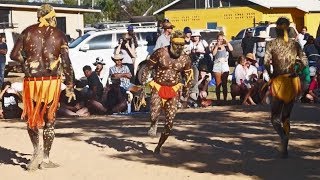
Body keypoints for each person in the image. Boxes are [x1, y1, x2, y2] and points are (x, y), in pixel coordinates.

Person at [10, 4, 75, 170]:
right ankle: (45, 158)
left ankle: (35, 150)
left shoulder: (28, 32)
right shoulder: (59, 34)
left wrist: (26, 63)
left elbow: (13, 55)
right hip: (51, 81)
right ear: (51, 16)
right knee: (49, 119)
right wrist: (70, 84)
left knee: (32, 118)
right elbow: (66, 62)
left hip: (32, 81)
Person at [140, 30, 193, 154]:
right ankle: (154, 122)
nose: (179, 47)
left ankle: (159, 146)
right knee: (153, 114)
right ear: (171, 42)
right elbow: (147, 68)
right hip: (158, 87)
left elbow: (188, 75)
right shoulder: (160, 53)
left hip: (174, 89)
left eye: (182, 45)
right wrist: (143, 86)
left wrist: (187, 89)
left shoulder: (185, 58)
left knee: (170, 122)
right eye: (177, 44)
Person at [264, 17, 307, 158]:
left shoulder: (271, 44)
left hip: (278, 82)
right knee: (286, 117)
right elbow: (304, 62)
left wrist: (271, 74)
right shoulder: (295, 45)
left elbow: (265, 62)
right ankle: (285, 148)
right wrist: (298, 70)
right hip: (292, 81)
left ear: (276, 29)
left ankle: (283, 136)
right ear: (288, 29)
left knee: (275, 118)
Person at [212, 33, 233, 104]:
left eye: (221, 39)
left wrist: (226, 41)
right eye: (219, 39)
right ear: (217, 40)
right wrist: (217, 46)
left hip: (224, 64)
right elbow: (214, 54)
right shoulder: (214, 46)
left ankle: (225, 99)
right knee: (218, 84)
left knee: (224, 83)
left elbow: (231, 49)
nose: (220, 41)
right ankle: (218, 100)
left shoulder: (226, 46)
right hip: (217, 64)